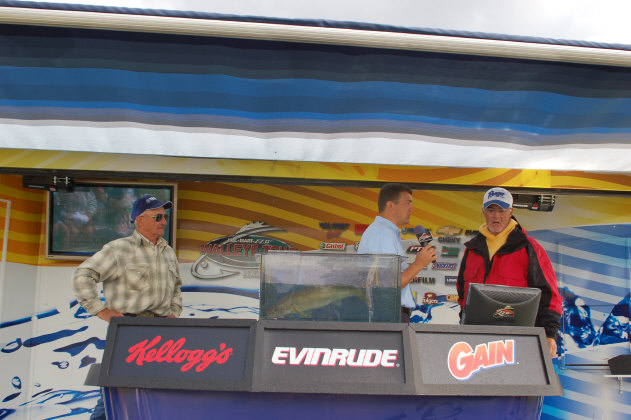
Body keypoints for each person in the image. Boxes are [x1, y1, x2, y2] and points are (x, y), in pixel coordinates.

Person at [72, 193, 182, 419]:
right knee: (116, 389)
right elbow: (83, 275)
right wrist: (102, 311)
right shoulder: (118, 249)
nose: (163, 221)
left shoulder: (168, 252)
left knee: (156, 390)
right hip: (129, 328)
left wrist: (174, 313)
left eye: (165, 217)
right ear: (139, 220)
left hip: (162, 330)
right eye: (158, 217)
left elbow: (177, 287)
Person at [457, 187, 562, 357]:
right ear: (483, 212)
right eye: (491, 210)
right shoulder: (472, 249)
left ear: (511, 212)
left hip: (519, 343)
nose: (496, 216)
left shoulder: (529, 247)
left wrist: (550, 334)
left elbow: (550, 295)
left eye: (502, 210)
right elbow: (463, 294)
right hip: (477, 343)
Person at [357, 183, 436, 322]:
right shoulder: (383, 235)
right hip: (386, 314)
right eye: (407, 203)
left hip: (387, 313)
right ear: (390, 205)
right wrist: (418, 264)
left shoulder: (385, 232)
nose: (412, 208)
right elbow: (389, 285)